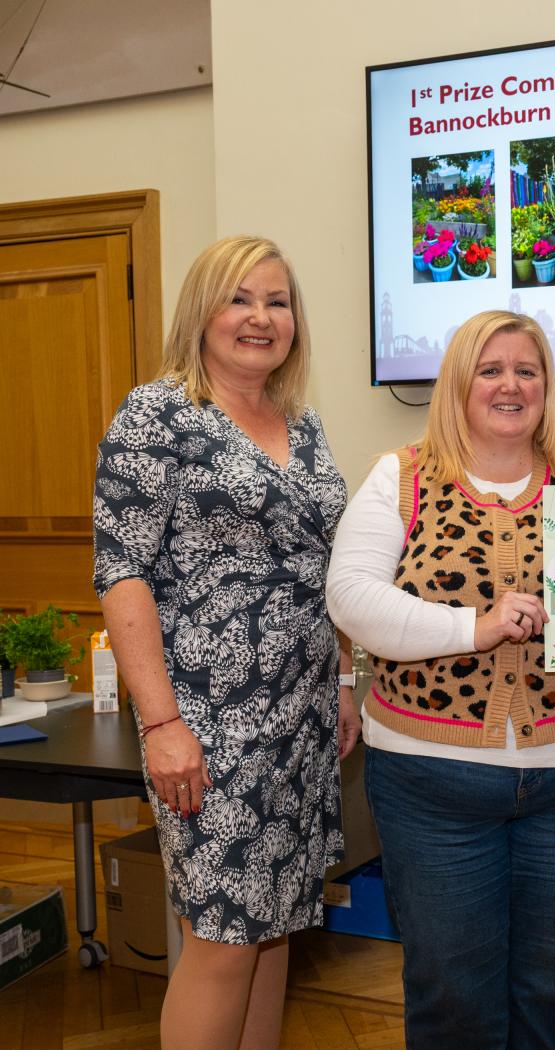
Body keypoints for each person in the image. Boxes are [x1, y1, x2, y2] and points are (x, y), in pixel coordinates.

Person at [325, 309, 555, 1049]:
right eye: (491, 368)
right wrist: (473, 628)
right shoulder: (399, 477)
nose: (511, 385)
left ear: (547, 387)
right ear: (458, 384)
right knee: (450, 989)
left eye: (527, 370)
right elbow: (351, 599)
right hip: (428, 786)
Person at [93, 235, 360, 1050]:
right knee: (220, 939)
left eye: (276, 301)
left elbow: (324, 564)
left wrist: (343, 681)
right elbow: (122, 570)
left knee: (273, 925)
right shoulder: (158, 413)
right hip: (210, 724)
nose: (260, 317)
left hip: (303, 718)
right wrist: (162, 723)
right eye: (239, 298)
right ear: (200, 313)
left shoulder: (303, 425)